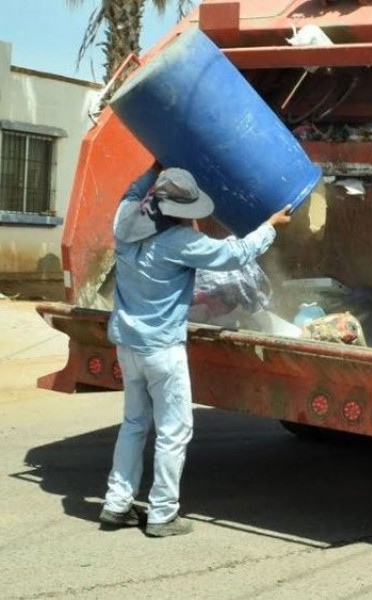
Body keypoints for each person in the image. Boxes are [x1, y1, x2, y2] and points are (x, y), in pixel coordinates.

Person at [99, 164, 292, 537]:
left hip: (127, 343)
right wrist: (271, 226)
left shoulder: (124, 220)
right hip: (162, 349)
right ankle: (162, 514)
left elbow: (130, 190)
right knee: (174, 430)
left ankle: (116, 504)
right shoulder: (178, 243)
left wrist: (153, 169)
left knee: (134, 425)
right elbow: (235, 255)